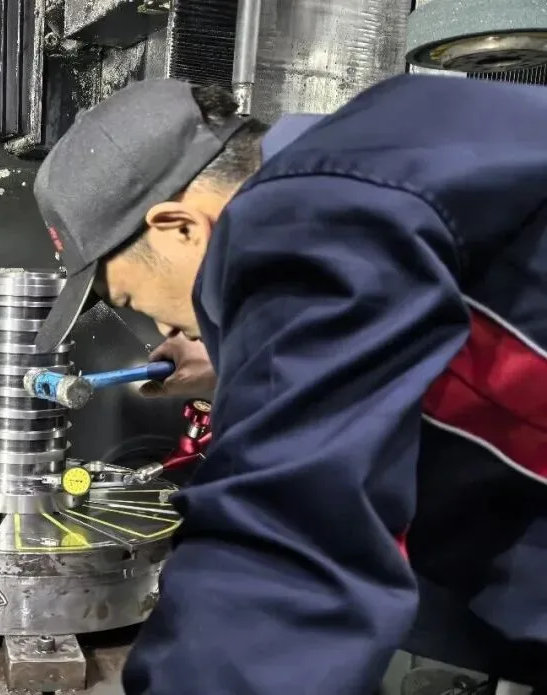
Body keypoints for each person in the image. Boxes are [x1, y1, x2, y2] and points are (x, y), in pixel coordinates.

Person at [30, 75, 547, 694]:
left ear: (180, 226)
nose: (161, 326)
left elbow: (282, 552)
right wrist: (244, 359)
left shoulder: (305, 213)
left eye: (128, 298)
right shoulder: (370, 163)